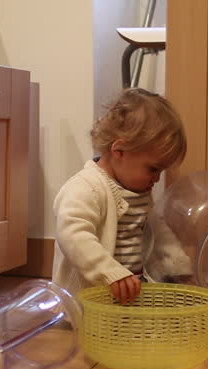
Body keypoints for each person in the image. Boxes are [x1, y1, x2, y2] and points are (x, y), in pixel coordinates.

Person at [51, 88, 187, 304]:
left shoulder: (138, 190)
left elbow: (158, 232)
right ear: (119, 151)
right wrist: (110, 272)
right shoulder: (86, 188)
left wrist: (180, 269)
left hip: (128, 295)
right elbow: (73, 236)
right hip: (87, 301)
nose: (157, 178)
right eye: (153, 169)